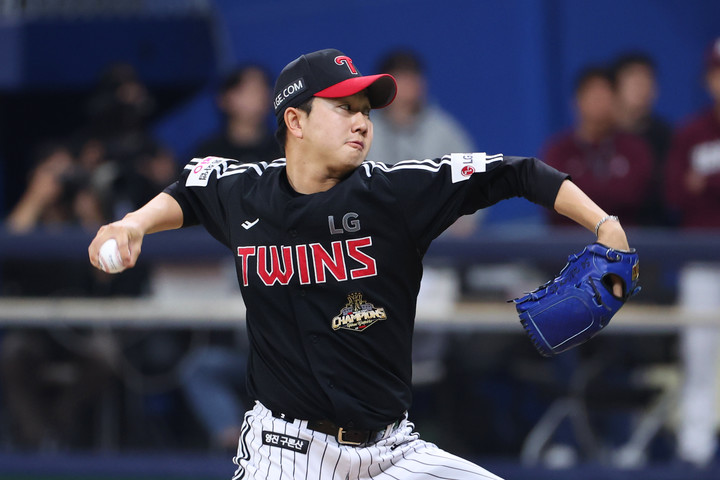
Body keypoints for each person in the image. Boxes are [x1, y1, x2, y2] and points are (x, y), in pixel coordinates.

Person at [89, 48, 633, 480]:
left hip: (392, 452)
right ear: (295, 120)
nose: (362, 122)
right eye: (344, 107)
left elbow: (519, 172)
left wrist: (605, 224)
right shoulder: (245, 190)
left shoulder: (395, 192)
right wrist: (131, 223)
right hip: (285, 453)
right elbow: (190, 190)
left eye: (366, 111)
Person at [666, 37, 720, 469]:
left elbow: (698, 186)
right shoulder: (691, 133)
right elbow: (673, 194)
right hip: (702, 262)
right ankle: (695, 449)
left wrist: (706, 183)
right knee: (699, 356)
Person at [542, 65, 654, 227]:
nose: (599, 103)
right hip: (570, 239)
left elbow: (634, 197)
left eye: (604, 96)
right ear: (577, 101)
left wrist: (579, 196)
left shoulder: (635, 149)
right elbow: (554, 199)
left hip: (624, 237)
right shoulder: (558, 151)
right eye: (593, 96)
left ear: (616, 101)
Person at [611, 52, 674, 226]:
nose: (642, 88)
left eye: (647, 81)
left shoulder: (667, 137)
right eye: (634, 82)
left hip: (656, 232)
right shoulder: (602, 137)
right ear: (614, 88)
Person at [193, 65, 281, 162]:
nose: (261, 96)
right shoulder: (209, 155)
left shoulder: (284, 149)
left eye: (264, 89)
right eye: (251, 90)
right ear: (226, 98)